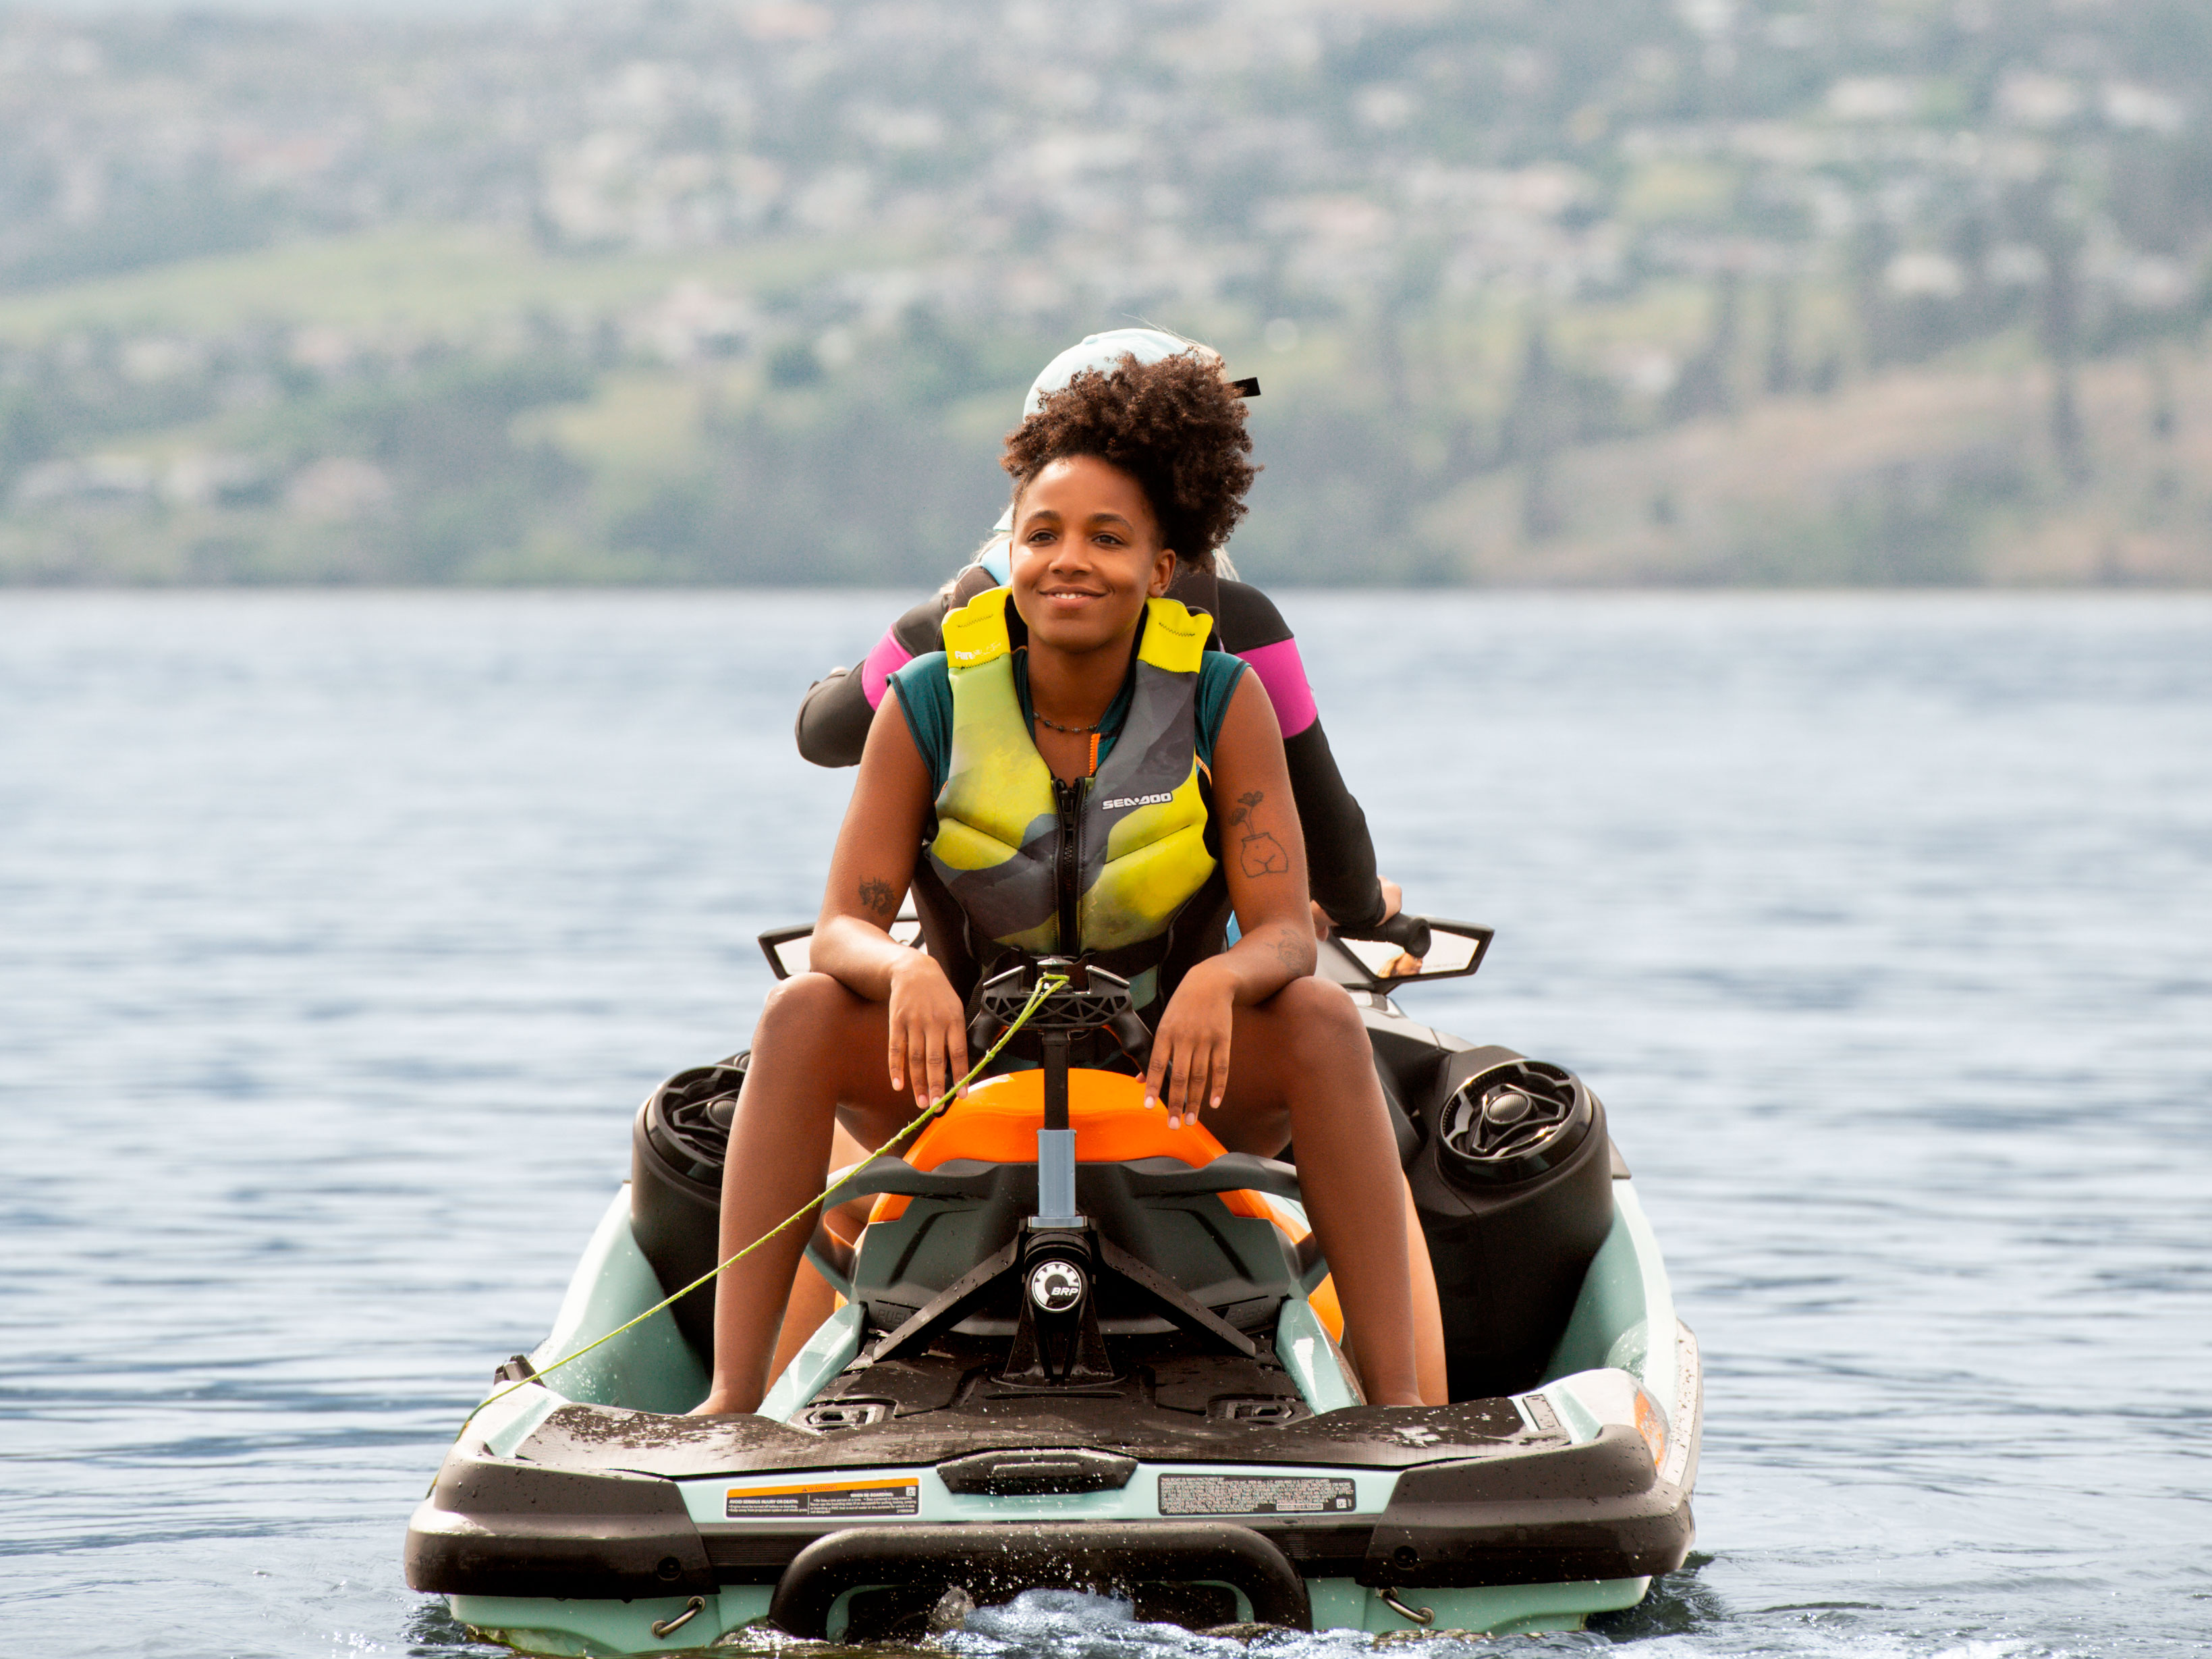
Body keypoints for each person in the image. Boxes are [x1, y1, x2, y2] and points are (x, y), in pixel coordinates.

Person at [696, 352, 1443, 1414]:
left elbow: (1282, 928)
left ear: (1164, 563)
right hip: (963, 1062)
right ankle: (730, 1404)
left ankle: (1398, 1412)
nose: (1067, 561)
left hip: (1177, 1071)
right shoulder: (926, 698)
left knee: (1321, 1017)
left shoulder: (1222, 698)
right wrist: (900, 975)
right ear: (1008, 550)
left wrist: (1220, 980)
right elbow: (835, 931)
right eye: (1041, 536)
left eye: (1106, 538)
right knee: (802, 1009)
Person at [794, 328, 1404, 940]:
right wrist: (1367, 909)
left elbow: (822, 734)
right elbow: (1334, 850)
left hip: (975, 987)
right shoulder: (1244, 625)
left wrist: (855, 674)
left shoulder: (954, 620)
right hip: (1185, 987)